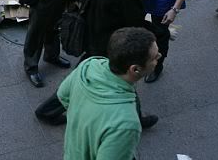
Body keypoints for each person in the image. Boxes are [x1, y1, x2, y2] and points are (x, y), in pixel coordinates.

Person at [35, 0, 158, 129]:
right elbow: (134, 21)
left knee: (83, 75)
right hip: (110, 42)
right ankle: (136, 119)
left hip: (96, 34)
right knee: (124, 80)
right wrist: (155, 30)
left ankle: (49, 110)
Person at [57, 27, 160, 160]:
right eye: (154, 57)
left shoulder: (88, 65)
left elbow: (62, 95)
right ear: (135, 69)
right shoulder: (126, 123)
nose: (159, 56)